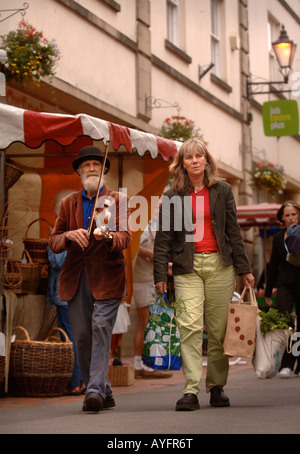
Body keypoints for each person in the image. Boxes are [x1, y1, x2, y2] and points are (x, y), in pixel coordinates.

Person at [153, 137, 255, 411]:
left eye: (199, 156)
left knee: (219, 330)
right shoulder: (173, 195)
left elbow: (233, 231)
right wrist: (160, 274)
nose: (195, 160)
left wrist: (245, 269)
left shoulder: (222, 190)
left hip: (221, 267)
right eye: (189, 157)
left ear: (207, 160)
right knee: (189, 326)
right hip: (187, 269)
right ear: (182, 163)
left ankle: (217, 386)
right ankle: (190, 390)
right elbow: (162, 238)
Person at [48, 145, 131, 412]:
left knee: (100, 328)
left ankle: (93, 390)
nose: (92, 168)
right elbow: (53, 241)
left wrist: (106, 237)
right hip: (76, 277)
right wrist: (70, 235)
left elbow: (124, 238)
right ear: (79, 172)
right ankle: (103, 388)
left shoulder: (116, 200)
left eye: (96, 164)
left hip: (107, 277)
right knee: (82, 335)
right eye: (87, 165)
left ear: (103, 170)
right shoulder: (68, 202)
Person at [133, 216, 173, 379]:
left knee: (146, 322)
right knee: (147, 322)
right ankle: (146, 366)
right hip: (142, 279)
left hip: (147, 277)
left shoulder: (149, 222)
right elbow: (136, 248)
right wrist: (155, 256)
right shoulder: (139, 223)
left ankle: (140, 364)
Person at [264, 200, 300, 378]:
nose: (291, 218)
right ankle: (286, 364)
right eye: (287, 215)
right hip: (285, 283)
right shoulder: (279, 238)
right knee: (286, 323)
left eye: (294, 214)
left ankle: (298, 363)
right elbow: (273, 266)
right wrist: (269, 292)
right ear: (282, 218)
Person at [47, 247, 83, 395]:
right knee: (78, 335)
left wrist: (53, 242)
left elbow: (57, 261)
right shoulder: (82, 231)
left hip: (64, 292)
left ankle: (75, 383)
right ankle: (82, 381)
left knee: (69, 338)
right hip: (76, 291)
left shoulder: (67, 235)